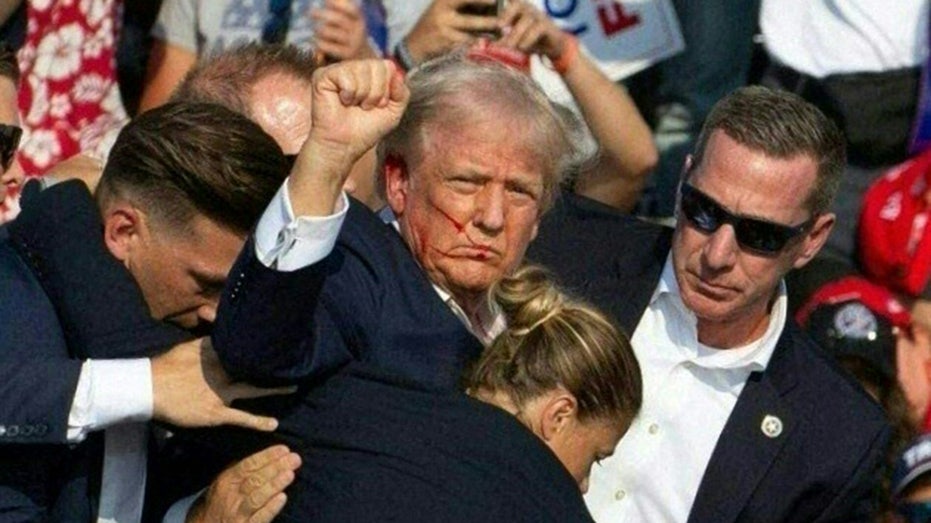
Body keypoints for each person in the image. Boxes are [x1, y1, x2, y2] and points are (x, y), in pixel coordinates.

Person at [526, 85, 891, 521]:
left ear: (812, 240)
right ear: (682, 183)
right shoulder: (559, 249)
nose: (717, 255)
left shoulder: (838, 437)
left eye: (759, 236)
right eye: (703, 210)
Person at [0, 101, 299, 521]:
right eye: (206, 283)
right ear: (125, 232)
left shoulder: (168, 331)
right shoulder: (16, 299)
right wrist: (145, 387)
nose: (218, 313)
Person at [253, 265, 643, 521]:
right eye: (596, 457)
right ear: (558, 415)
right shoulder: (538, 505)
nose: (584, 484)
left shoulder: (370, 396)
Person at [388, 0, 657, 211]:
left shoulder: (550, 203)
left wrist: (563, 52)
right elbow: (364, 184)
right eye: (464, 182)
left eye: (517, 190)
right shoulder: (400, 173)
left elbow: (635, 161)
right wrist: (406, 57)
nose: (492, 218)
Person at [140, 0, 383, 112]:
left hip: (318, 142)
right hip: (218, 150)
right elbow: (159, 113)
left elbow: (400, 96)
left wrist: (359, 55)